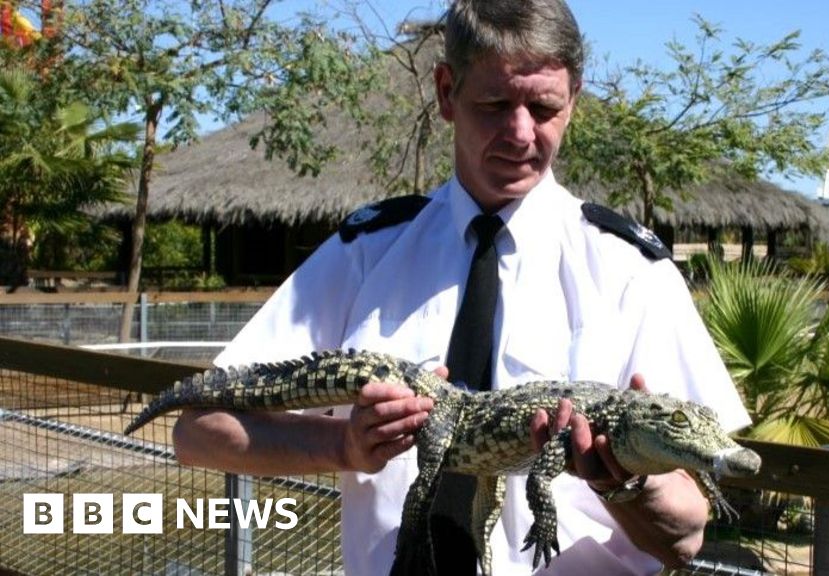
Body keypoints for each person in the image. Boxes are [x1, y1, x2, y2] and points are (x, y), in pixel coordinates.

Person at [172, 1, 750, 574]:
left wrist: (625, 481)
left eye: (544, 107)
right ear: (447, 92)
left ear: (573, 100)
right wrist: (343, 446)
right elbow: (198, 431)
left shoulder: (633, 272)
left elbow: (685, 537)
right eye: (496, 104)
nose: (521, 133)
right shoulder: (367, 250)